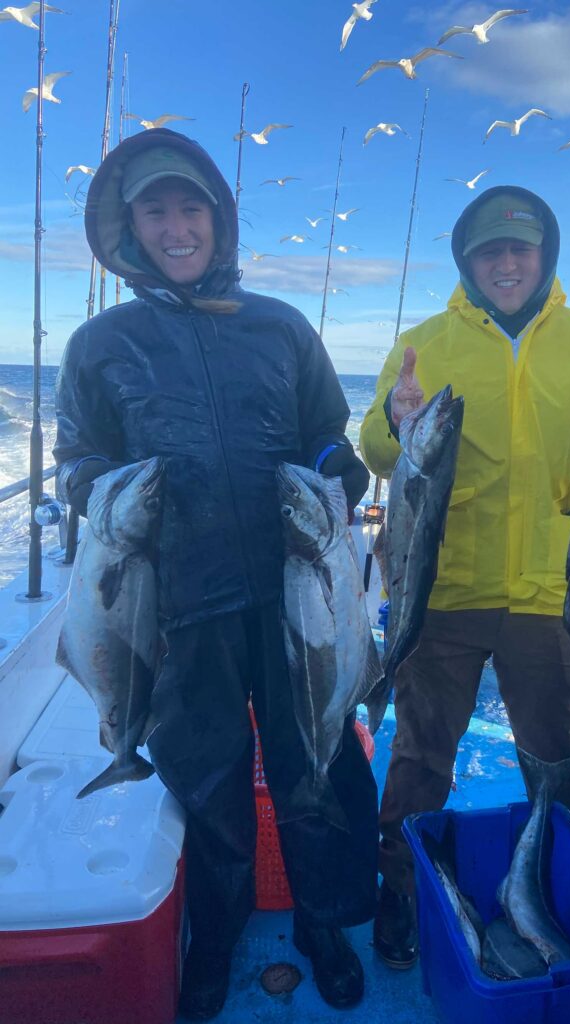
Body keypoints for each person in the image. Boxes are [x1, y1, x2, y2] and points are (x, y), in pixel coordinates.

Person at [53, 129, 377, 1020]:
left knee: (311, 764)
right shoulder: (99, 343)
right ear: (130, 227)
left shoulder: (280, 327)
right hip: (176, 607)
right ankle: (220, 932)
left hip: (294, 599)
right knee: (211, 786)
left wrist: (336, 468)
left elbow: (324, 433)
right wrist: (104, 491)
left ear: (219, 219)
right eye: (155, 210)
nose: (176, 225)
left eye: (190, 207)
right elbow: (78, 460)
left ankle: (321, 920)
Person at [359, 186, 570, 969]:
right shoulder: (426, 342)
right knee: (420, 754)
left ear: (546, 256)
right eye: (488, 251)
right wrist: (394, 422)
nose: (505, 263)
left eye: (519, 249)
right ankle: (399, 891)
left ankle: (566, 890)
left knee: (555, 755)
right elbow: (375, 447)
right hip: (444, 589)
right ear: (467, 262)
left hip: (555, 592)